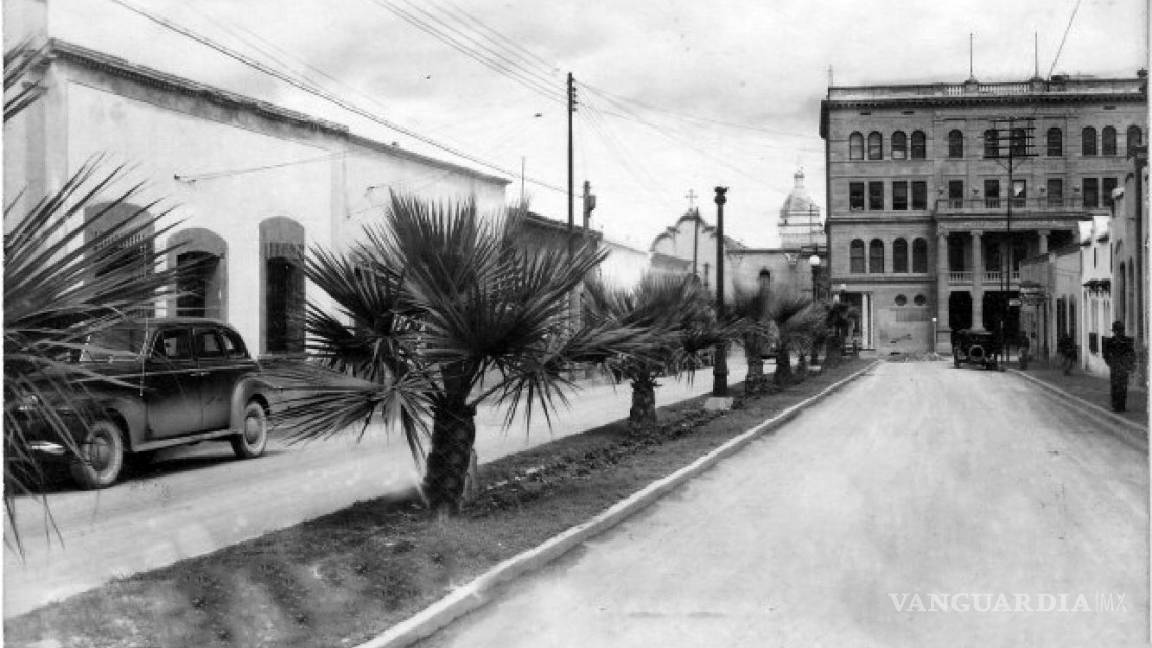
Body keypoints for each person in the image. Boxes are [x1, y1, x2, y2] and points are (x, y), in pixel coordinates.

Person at [1102, 321, 1136, 412]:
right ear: (1114, 331)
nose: (1119, 333)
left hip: (1124, 366)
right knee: (1115, 386)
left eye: (1120, 331)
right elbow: (1105, 354)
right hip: (1115, 366)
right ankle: (1115, 406)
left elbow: (1131, 353)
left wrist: (1130, 364)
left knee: (1123, 386)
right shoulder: (1110, 342)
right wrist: (1110, 363)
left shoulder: (1126, 341)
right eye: (1117, 331)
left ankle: (1122, 406)